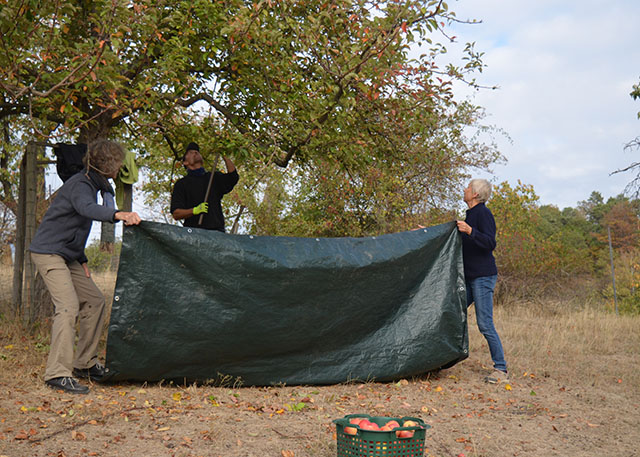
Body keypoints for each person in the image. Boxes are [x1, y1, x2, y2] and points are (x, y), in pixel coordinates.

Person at [29, 139, 142, 394]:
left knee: (94, 301)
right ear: (108, 165)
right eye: (119, 165)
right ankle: (57, 374)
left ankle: (85, 364)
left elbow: (74, 226)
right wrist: (118, 214)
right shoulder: (81, 184)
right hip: (49, 252)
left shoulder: (96, 184)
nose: (121, 169)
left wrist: (81, 259)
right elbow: (85, 209)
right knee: (68, 306)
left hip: (69, 255)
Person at [456, 179, 508, 384]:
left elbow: (490, 242)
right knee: (454, 310)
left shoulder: (483, 213)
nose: (464, 189)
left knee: (485, 324)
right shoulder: (470, 214)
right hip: (470, 277)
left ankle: (501, 369)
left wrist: (470, 231)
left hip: (483, 276)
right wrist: (429, 233)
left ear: (476, 194)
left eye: (468, 187)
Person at [170, 142, 239, 232]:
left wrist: (224, 155)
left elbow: (233, 177)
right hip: (193, 234)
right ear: (185, 162)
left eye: (197, 152)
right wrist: (194, 210)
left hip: (216, 232)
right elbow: (176, 214)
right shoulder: (182, 184)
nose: (195, 153)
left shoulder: (213, 177)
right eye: (190, 152)